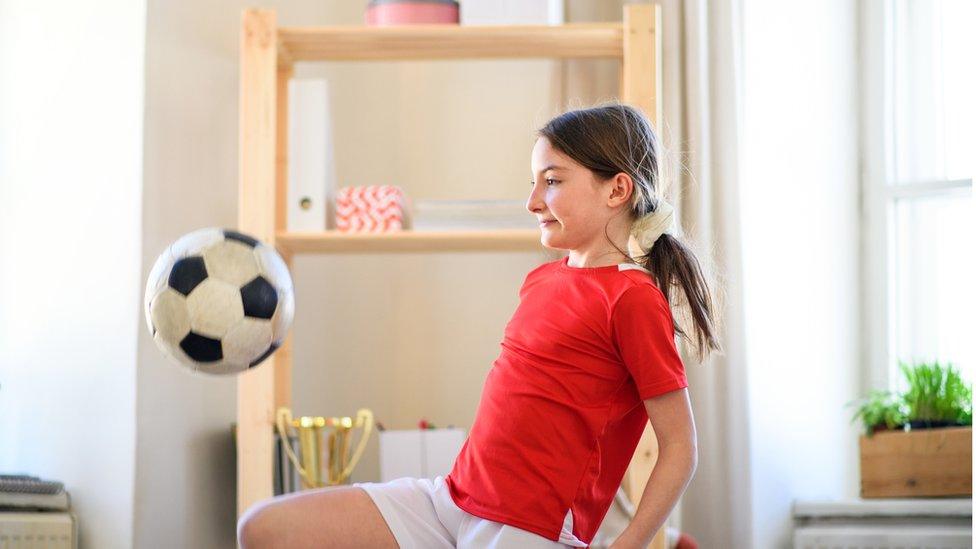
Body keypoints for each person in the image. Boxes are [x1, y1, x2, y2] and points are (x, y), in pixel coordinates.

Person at [237, 102, 722, 549]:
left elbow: (680, 446)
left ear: (617, 189)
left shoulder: (633, 298)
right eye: (533, 182)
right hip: (449, 500)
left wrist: (628, 544)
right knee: (263, 528)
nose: (532, 201)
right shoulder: (543, 279)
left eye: (551, 181)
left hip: (527, 528)